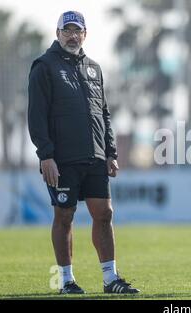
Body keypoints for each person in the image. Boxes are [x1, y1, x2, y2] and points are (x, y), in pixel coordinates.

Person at [28, 11, 139, 295]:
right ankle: (66, 281)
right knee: (64, 216)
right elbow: (36, 116)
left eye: (78, 31)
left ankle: (110, 279)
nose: (72, 35)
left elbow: (104, 113)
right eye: (67, 30)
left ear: (85, 35)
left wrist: (110, 152)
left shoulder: (95, 68)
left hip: (96, 157)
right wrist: (46, 155)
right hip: (62, 159)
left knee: (104, 213)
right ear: (57, 33)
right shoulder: (44, 66)